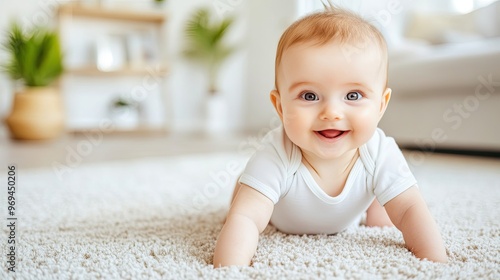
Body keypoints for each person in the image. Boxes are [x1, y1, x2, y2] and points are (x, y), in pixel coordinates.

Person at [213, 6, 448, 267]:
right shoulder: (277, 152)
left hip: (352, 209)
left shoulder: (380, 151)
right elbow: (246, 217)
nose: (332, 113)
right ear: (280, 107)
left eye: (353, 96)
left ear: (381, 105)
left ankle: (374, 204)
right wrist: (229, 268)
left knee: (386, 214)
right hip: (281, 214)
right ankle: (243, 184)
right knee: (244, 199)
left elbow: (409, 209)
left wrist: (436, 261)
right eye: (309, 96)